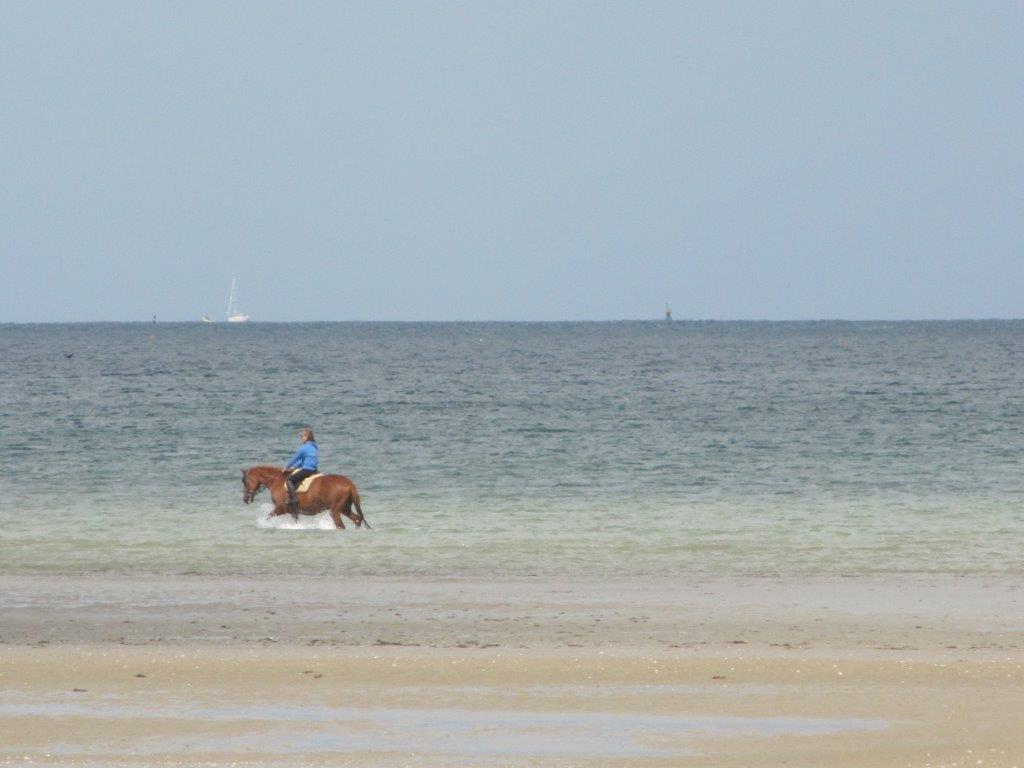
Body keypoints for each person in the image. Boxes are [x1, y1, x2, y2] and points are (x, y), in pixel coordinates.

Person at [284, 428, 319, 509]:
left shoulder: (303, 448)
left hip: (307, 469)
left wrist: (286, 467)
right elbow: (302, 461)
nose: (301, 438)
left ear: (306, 437)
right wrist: (294, 467)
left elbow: (294, 459)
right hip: (314, 469)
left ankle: (294, 499)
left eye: (302, 436)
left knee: (289, 480)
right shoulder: (314, 447)